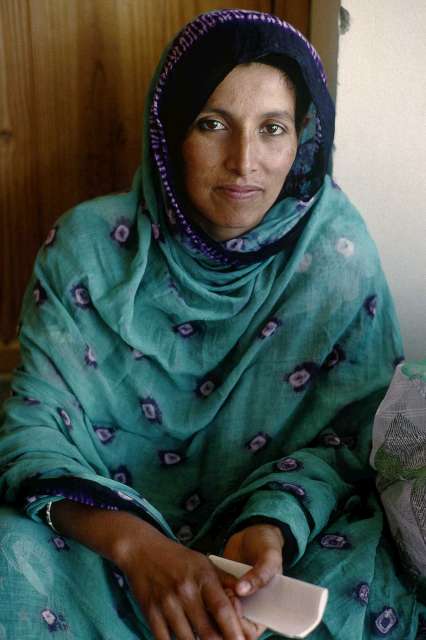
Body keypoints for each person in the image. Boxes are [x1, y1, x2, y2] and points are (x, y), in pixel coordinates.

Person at [0, 8, 424, 639]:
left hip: (276, 540)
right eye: (212, 123)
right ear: (169, 134)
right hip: (107, 534)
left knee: (379, 578)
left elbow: (351, 443)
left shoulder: (335, 253)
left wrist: (271, 527)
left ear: (304, 140)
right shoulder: (89, 248)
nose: (244, 162)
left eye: (273, 128)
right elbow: (32, 429)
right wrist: (142, 552)